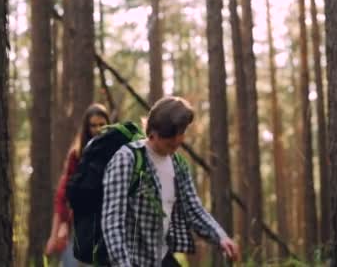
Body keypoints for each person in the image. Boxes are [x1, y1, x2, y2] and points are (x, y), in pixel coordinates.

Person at [102, 96, 239, 267]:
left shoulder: (178, 165)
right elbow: (112, 221)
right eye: (171, 136)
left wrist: (221, 237)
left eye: (181, 133)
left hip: (161, 258)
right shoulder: (127, 159)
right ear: (153, 133)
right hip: (131, 260)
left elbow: (194, 209)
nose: (177, 141)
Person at [46, 103, 111, 266]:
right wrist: (60, 227)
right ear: (86, 127)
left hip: (107, 221)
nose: (97, 129)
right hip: (80, 222)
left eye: (102, 125)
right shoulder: (77, 154)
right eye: (93, 125)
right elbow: (63, 194)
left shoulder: (115, 152)